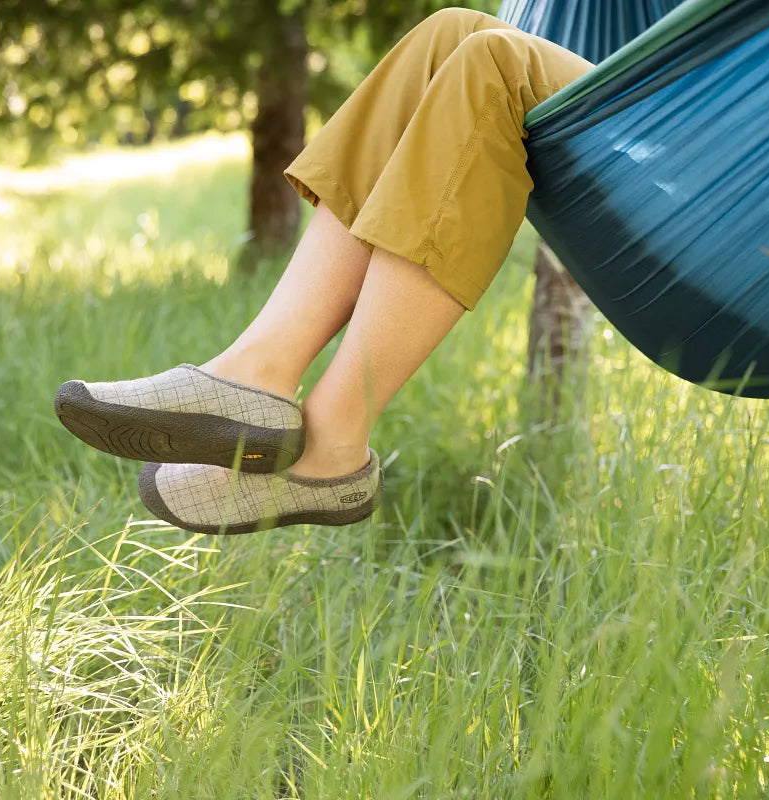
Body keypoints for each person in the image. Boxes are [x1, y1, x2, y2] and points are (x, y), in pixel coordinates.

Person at [55, 8, 593, 534]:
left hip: (675, 134)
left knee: (493, 64)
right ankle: (258, 370)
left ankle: (332, 442)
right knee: (448, 33)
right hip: (663, 104)